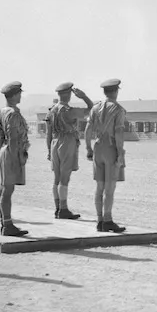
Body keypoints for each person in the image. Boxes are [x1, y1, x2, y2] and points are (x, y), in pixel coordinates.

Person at [46, 82, 94, 219]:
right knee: (64, 178)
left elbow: (48, 134)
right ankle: (63, 209)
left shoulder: (51, 111)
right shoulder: (69, 110)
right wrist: (84, 96)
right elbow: (92, 109)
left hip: (54, 143)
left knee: (56, 178)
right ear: (68, 94)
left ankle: (57, 208)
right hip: (67, 142)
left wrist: (49, 151)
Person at [85, 78, 127, 233]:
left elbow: (88, 129)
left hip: (98, 147)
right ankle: (108, 220)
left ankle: (99, 220)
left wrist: (88, 148)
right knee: (110, 187)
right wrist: (120, 153)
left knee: (99, 186)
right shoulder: (118, 109)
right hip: (111, 147)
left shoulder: (95, 108)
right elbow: (119, 132)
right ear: (115, 91)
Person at [0, 81, 30, 236]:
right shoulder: (12, 114)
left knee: (5, 187)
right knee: (8, 188)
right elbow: (13, 137)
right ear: (15, 95)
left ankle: (5, 223)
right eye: (19, 93)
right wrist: (16, 158)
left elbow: (0, 137)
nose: (21, 95)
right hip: (11, 151)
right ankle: (7, 225)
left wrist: (2, 153)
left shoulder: (3, 111)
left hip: (5, 151)